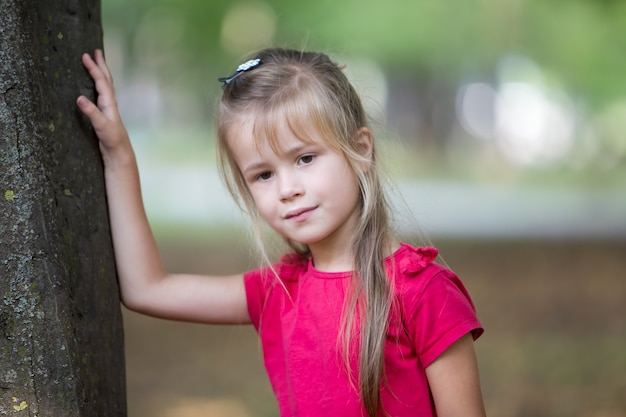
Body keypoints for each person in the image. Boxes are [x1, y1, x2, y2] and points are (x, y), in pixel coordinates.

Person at [77, 47, 486, 417]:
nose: (288, 189)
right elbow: (146, 288)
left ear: (361, 149)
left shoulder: (421, 292)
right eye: (264, 174)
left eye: (305, 157)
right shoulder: (280, 290)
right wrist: (118, 156)